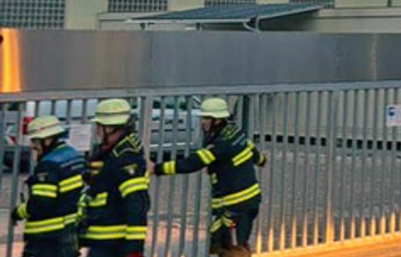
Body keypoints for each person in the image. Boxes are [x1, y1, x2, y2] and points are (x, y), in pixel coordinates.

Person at [152, 97, 266, 257]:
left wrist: (157, 168)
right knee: (236, 242)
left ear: (217, 119)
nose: (202, 122)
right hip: (250, 200)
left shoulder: (220, 144)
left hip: (235, 203)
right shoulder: (236, 132)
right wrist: (262, 161)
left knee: (228, 247)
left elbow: (193, 163)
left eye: (206, 118)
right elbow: (255, 154)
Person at [9, 116, 86, 257]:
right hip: (70, 232)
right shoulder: (73, 156)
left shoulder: (49, 164)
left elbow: (41, 202)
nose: (32, 145)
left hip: (47, 239)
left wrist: (19, 212)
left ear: (47, 139)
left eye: (35, 140)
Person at [81, 99, 149, 257]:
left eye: (99, 126)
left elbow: (137, 203)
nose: (97, 131)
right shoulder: (113, 150)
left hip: (114, 243)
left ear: (111, 128)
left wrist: (134, 249)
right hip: (103, 240)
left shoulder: (126, 156)